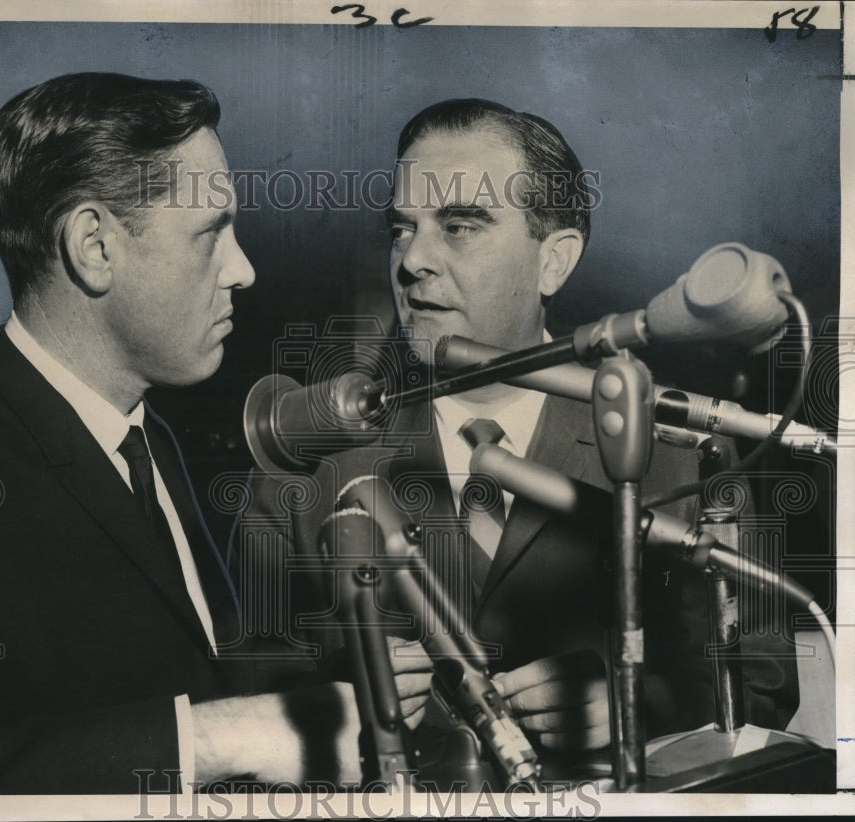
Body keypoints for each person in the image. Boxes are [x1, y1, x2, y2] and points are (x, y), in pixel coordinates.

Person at [237, 99, 797, 777]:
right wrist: (337, 704)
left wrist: (636, 702)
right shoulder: (304, 456)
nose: (413, 259)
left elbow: (763, 680)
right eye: (401, 228)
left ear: (554, 261)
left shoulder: (682, 446)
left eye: (460, 225)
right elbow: (241, 693)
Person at [0, 72, 382, 795]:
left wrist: (331, 686)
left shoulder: (150, 439)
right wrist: (217, 737)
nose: (243, 269)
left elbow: (181, 665)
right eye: (210, 233)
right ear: (94, 247)